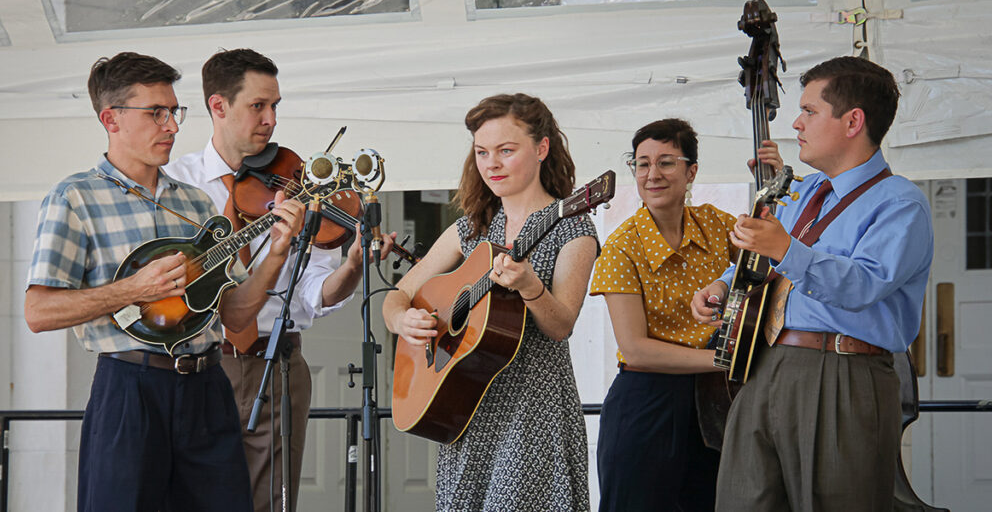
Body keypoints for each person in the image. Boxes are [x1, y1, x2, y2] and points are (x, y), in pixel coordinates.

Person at [24, 52, 307, 511]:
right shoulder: (75, 197)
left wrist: (277, 251)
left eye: (174, 111)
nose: (172, 125)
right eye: (156, 113)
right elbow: (37, 313)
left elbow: (235, 312)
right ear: (110, 119)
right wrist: (134, 290)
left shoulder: (197, 203)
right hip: (129, 391)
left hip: (207, 388)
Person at [691, 56, 934, 511]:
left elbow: (864, 285)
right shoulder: (802, 192)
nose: (796, 123)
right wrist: (722, 286)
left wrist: (785, 248)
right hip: (766, 363)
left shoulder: (901, 202)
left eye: (809, 111)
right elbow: (761, 260)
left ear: (852, 121)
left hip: (845, 371)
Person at [163, 48, 394, 512]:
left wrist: (351, 265)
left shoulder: (298, 184)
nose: (271, 119)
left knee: (270, 503)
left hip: (277, 360)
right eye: (258, 106)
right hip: (197, 362)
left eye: (275, 106)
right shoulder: (174, 184)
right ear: (218, 106)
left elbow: (314, 293)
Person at [383, 93, 598, 511]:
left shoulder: (573, 226)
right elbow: (400, 292)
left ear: (541, 148)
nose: (491, 164)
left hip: (532, 414)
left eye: (506, 150)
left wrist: (530, 286)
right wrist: (400, 320)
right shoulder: (473, 227)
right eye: (482, 152)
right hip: (467, 409)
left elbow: (561, 325)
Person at [589, 119, 782, 511]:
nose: (652, 174)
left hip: (716, 402)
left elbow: (770, 256)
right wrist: (726, 359)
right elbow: (636, 349)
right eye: (642, 164)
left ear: (691, 170)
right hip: (646, 403)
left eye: (666, 162)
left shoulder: (714, 224)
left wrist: (774, 190)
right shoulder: (621, 246)